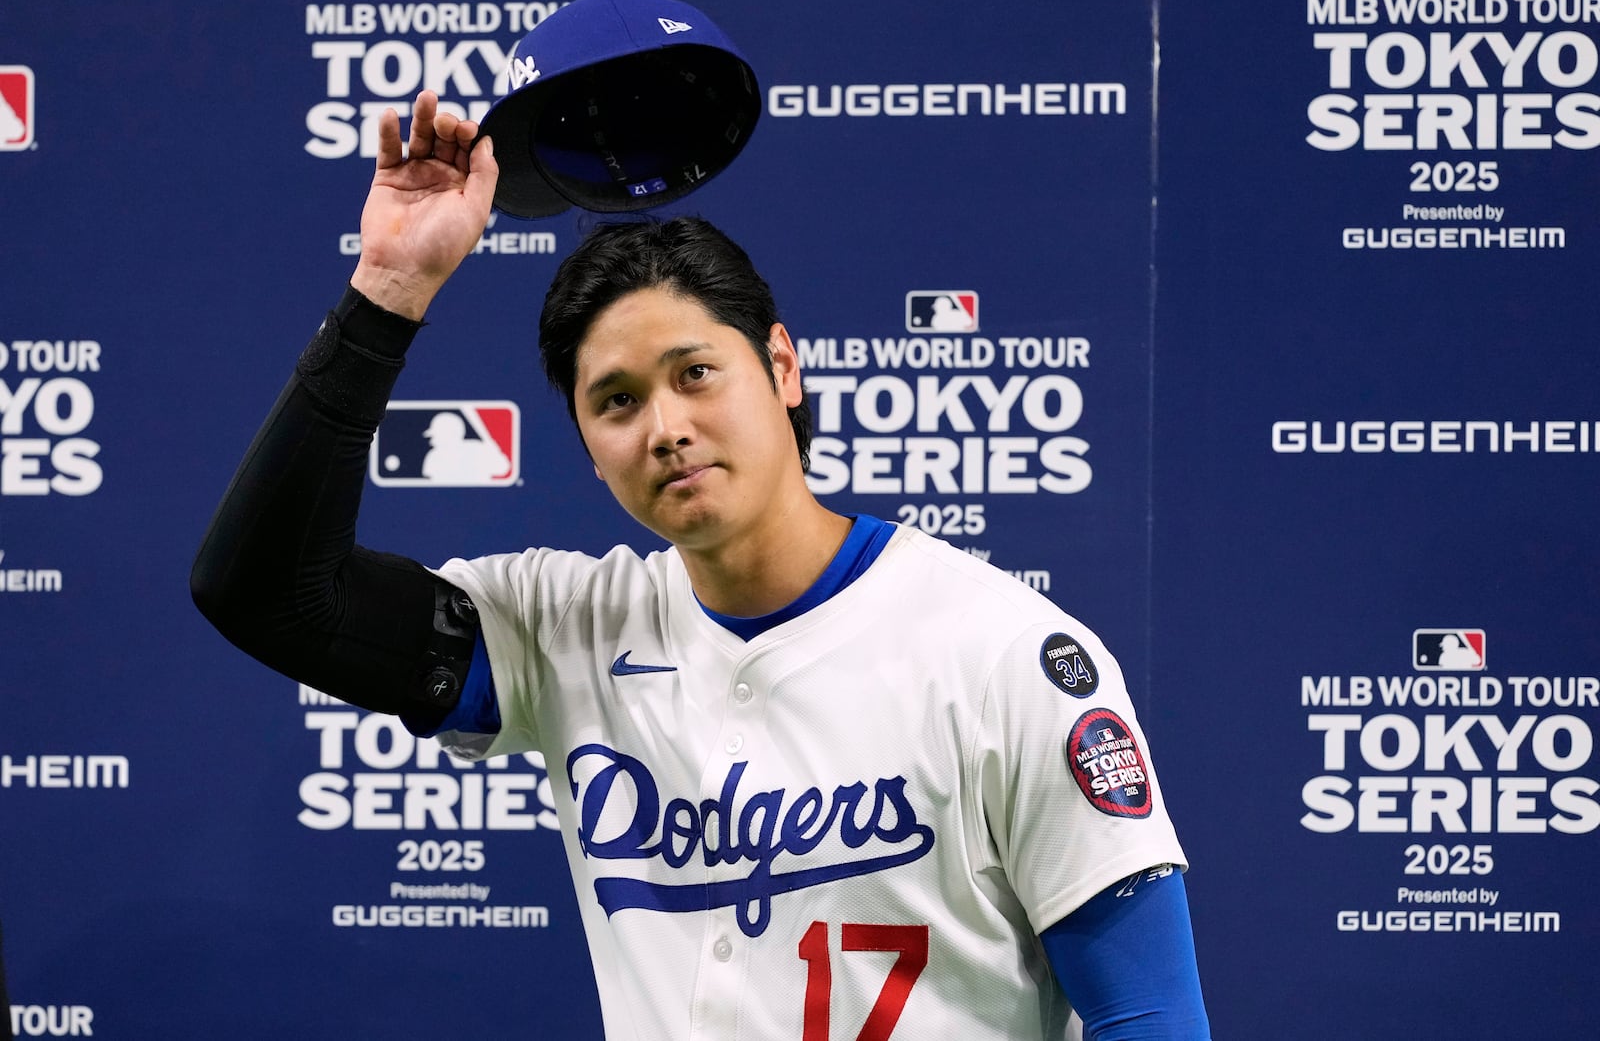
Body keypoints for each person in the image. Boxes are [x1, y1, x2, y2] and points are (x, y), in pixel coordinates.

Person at [191, 90, 1211, 1039]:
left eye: (695, 373)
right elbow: (266, 593)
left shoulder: (1006, 652)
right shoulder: (562, 627)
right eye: (618, 400)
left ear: (780, 367)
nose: (667, 426)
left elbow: (1148, 1012)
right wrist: (390, 287)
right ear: (590, 451)